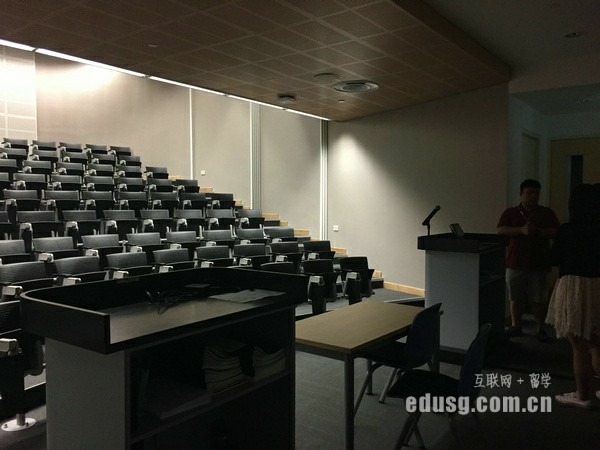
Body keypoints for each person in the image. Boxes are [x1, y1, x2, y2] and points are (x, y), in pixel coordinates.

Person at [546, 183, 600, 408]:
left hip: (574, 285)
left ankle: (583, 396)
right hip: (598, 285)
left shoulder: (567, 230)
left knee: (579, 345)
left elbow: (553, 259)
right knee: (597, 342)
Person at [497, 179, 559, 341]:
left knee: (539, 299)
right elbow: (500, 230)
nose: (533, 196)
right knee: (515, 297)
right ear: (521, 194)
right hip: (515, 262)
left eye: (536, 193)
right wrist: (520, 230)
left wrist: (539, 231)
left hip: (539, 262)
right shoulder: (510, 212)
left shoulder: (546, 212)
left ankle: (540, 328)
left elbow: (557, 232)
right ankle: (515, 325)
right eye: (529, 193)